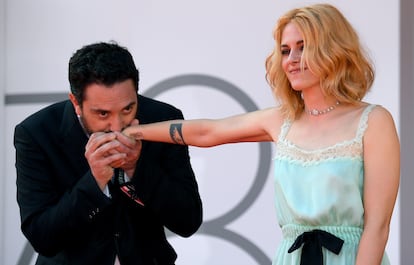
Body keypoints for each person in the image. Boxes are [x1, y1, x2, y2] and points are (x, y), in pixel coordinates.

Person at [122, 3, 400, 265]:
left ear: (332, 49)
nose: (292, 60)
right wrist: (135, 131)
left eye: (303, 47)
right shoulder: (281, 120)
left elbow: (378, 226)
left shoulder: (373, 121)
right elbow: (208, 131)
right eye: (285, 50)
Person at [14, 41, 203, 265]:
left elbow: (188, 221)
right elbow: (42, 237)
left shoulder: (164, 118)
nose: (117, 125)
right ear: (76, 102)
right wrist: (94, 181)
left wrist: (136, 167)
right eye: (103, 113)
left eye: (128, 109)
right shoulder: (37, 133)